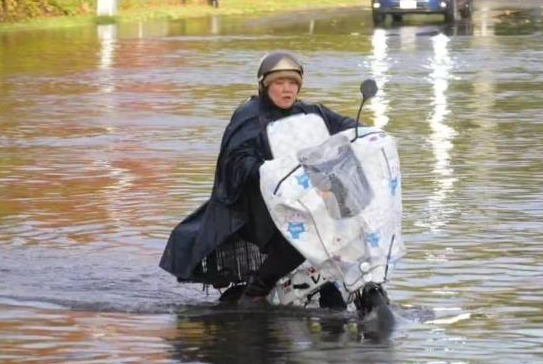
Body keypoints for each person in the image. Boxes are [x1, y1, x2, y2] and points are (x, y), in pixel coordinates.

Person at [160, 52, 381, 313]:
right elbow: (236, 159)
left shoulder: (310, 112)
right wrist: (265, 171)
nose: (287, 89)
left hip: (309, 198)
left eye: (292, 83)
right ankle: (256, 291)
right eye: (279, 82)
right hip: (261, 205)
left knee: (345, 228)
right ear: (265, 86)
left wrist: (369, 135)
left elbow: (343, 125)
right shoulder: (249, 116)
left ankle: (333, 294)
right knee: (302, 236)